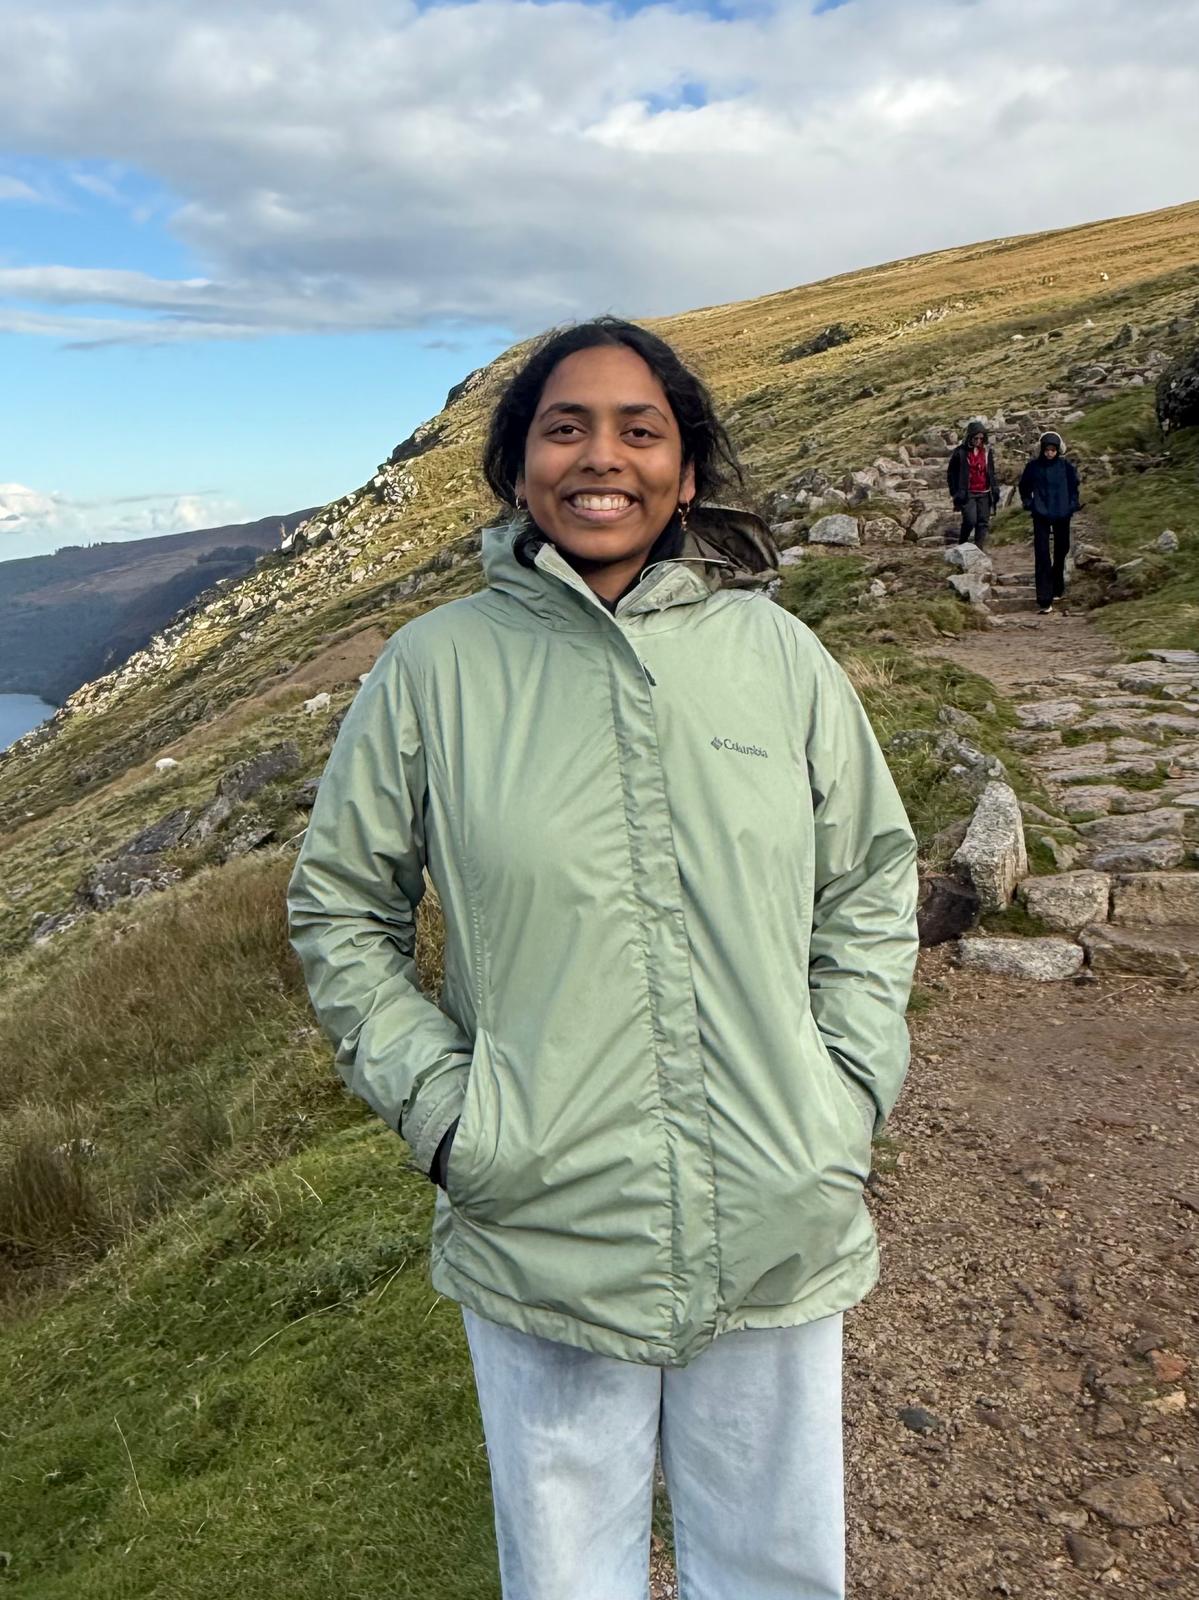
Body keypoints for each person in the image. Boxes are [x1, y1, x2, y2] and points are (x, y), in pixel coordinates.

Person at [288, 317, 920, 1600]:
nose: (602, 457)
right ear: (518, 466)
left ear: (684, 473)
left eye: (641, 430)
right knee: (568, 1577)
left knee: (778, 1570)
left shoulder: (777, 659)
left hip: (772, 1201)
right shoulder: (431, 673)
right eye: (564, 426)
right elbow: (341, 910)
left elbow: (867, 884)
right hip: (541, 1217)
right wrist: (457, 1120)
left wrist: (842, 1092)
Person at [1019, 430, 1081, 615]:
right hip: (1041, 515)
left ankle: (1057, 585)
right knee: (1042, 554)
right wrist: (1030, 504)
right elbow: (1024, 487)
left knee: (1062, 549)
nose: (1049, 453)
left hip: (1063, 513)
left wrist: (1072, 505)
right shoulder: (1033, 467)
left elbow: (1074, 487)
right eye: (1047, 449)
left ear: (1058, 450)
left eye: (1053, 450)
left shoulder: (1066, 467)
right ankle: (1044, 598)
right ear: (1042, 449)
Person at [946, 419, 1000, 546]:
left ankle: (978, 549)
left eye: (981, 438)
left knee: (983, 522)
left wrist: (995, 488)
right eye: (976, 438)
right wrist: (955, 492)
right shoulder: (960, 452)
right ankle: (962, 544)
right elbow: (951, 473)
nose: (978, 441)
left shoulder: (987, 452)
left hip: (985, 492)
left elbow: (991, 472)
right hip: (968, 493)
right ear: (970, 437)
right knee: (970, 520)